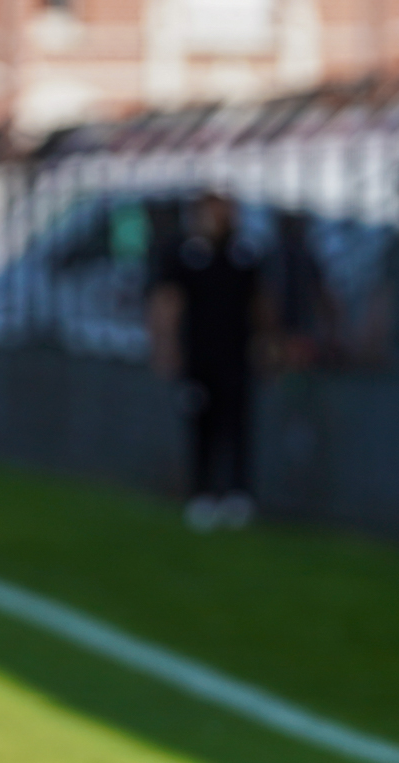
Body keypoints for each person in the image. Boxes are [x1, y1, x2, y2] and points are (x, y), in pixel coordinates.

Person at [148, 192, 269, 531]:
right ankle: (202, 493)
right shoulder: (184, 254)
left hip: (235, 354)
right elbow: (167, 302)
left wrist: (267, 342)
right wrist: (166, 346)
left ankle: (238, 493)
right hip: (199, 356)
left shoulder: (244, 253)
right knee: (201, 424)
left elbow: (260, 302)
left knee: (238, 424)